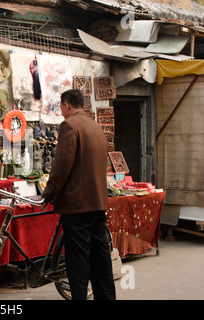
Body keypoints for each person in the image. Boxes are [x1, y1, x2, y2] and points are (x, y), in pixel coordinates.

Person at [41, 89, 116, 300]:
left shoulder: (70, 125)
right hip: (98, 203)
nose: (62, 112)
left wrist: (48, 193)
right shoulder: (96, 126)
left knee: (78, 263)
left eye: (61, 108)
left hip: (77, 205)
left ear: (66, 105)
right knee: (101, 260)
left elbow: (62, 166)